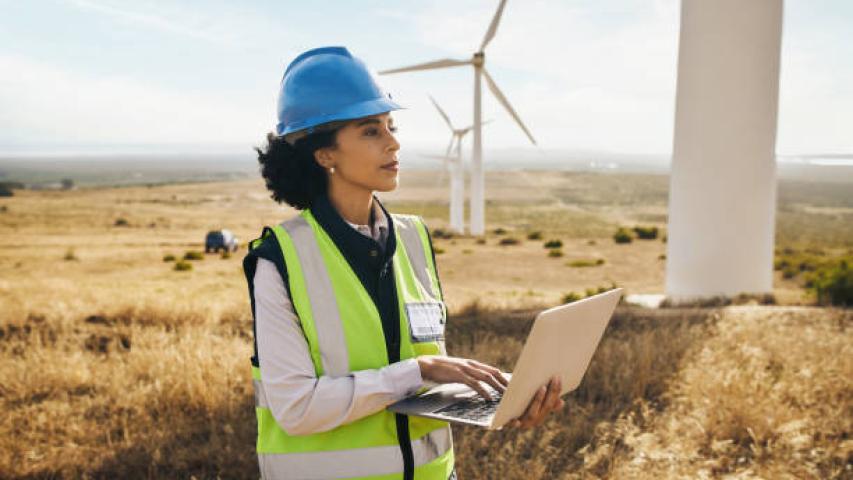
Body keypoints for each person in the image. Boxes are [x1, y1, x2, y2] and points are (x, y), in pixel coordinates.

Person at [242, 46, 565, 480]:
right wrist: (419, 371)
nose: (394, 141)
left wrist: (502, 402)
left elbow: (421, 376)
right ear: (325, 154)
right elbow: (297, 409)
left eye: (391, 126)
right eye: (370, 130)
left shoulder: (414, 239)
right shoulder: (280, 260)